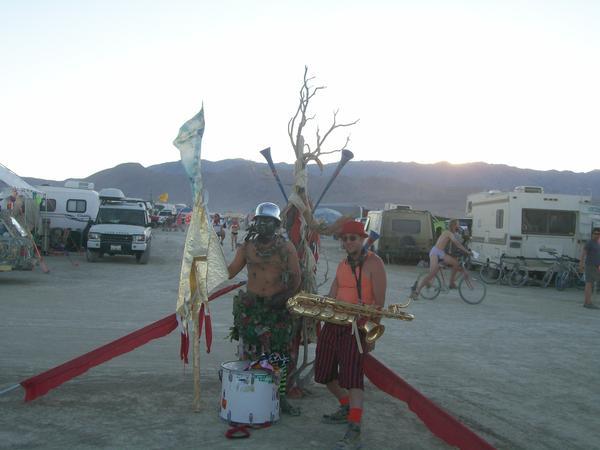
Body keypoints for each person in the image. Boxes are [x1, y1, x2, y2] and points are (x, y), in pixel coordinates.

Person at [314, 220, 386, 450]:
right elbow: (333, 292)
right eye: (344, 239)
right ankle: (345, 406)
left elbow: (380, 302)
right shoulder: (343, 263)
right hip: (334, 324)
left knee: (353, 378)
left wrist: (371, 334)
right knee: (323, 373)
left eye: (352, 238)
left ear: (362, 239)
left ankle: (354, 427)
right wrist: (320, 310)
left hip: (357, 327)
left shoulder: (375, 264)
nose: (347, 242)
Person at [227, 202, 302, 415]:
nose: (263, 224)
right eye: (260, 220)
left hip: (277, 310)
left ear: (276, 224)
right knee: (249, 355)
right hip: (251, 309)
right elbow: (230, 272)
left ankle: (281, 398)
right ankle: (248, 396)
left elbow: (296, 278)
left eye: (268, 221)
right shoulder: (247, 247)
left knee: (278, 358)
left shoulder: (286, 248)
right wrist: (205, 262)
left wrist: (283, 298)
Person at [411, 219, 471, 298]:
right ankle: (417, 291)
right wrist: (467, 251)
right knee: (431, 274)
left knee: (456, 263)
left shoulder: (452, 233)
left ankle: (451, 283)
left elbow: (456, 244)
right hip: (435, 253)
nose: (459, 226)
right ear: (453, 225)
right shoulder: (448, 233)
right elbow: (457, 244)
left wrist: (463, 250)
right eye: (458, 224)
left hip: (441, 253)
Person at [579, 227, 600, 309]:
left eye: (598, 234)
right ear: (592, 234)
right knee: (589, 284)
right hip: (590, 266)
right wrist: (581, 264)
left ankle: (588, 302)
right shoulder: (590, 242)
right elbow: (583, 254)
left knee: (591, 285)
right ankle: (587, 302)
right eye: (595, 233)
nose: (597, 235)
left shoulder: (597, 243)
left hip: (595, 266)